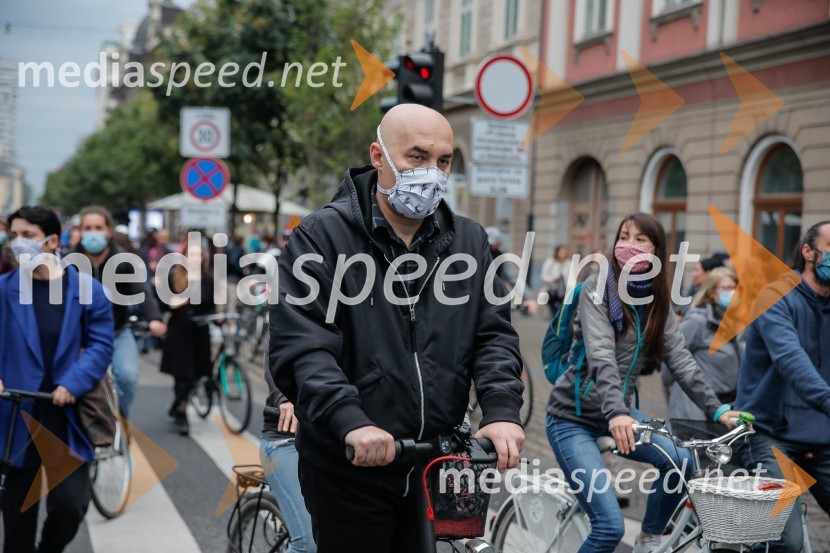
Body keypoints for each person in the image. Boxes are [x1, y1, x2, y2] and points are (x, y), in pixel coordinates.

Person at [270, 104, 525, 553]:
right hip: (350, 463)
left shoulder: (469, 241)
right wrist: (350, 422)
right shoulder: (321, 237)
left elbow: (494, 335)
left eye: (443, 161)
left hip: (439, 462)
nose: (431, 172)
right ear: (378, 155)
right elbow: (304, 346)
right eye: (417, 157)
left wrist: (501, 411)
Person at [546, 213, 740, 553]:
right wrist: (618, 413)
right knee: (608, 527)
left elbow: (680, 360)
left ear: (655, 250)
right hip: (572, 418)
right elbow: (601, 355)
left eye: (640, 240)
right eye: (624, 236)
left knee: (680, 461)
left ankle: (649, 539)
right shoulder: (597, 288)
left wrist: (719, 408)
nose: (628, 245)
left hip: (620, 412)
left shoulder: (656, 300)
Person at [0, 205, 114, 553]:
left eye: (28, 236)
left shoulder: (88, 290)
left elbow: (100, 344)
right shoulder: (3, 289)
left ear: (52, 241)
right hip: (15, 418)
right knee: (17, 521)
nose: (17, 244)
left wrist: (73, 384)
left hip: (66, 415)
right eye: (14, 235)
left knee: (71, 505)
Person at [734, 220, 830, 553]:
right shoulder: (776, 296)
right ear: (807, 251)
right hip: (768, 434)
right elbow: (791, 359)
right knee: (785, 540)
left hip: (821, 436)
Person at [77, 205, 167, 418]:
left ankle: (119, 417)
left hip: (118, 332)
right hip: (81, 338)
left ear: (108, 231)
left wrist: (154, 319)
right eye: (87, 228)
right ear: (80, 231)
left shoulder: (124, 261)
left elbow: (142, 291)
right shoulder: (70, 262)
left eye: (98, 227)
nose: (93, 233)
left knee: (127, 377)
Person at [663, 267, 740, 439]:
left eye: (735, 287)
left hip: (725, 404)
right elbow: (672, 355)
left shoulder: (734, 323)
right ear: (712, 293)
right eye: (726, 288)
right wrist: (670, 384)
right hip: (694, 405)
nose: (732, 292)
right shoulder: (697, 321)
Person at [160, 243, 215, 435]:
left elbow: (211, 307)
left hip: (199, 333)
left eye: (198, 255)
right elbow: (164, 304)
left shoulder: (208, 280)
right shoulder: (175, 277)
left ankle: (177, 404)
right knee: (183, 374)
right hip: (180, 332)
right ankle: (182, 411)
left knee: (197, 373)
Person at [261, 366, 317, 553]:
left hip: (335, 446)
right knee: (308, 545)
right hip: (285, 440)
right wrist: (284, 399)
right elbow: (275, 359)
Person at [540, 244, 571, 318]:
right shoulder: (550, 262)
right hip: (552, 291)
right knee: (553, 312)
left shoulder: (569, 263)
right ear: (557, 252)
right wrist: (553, 279)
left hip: (564, 292)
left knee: (562, 313)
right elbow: (543, 276)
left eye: (564, 252)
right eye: (561, 252)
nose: (563, 254)